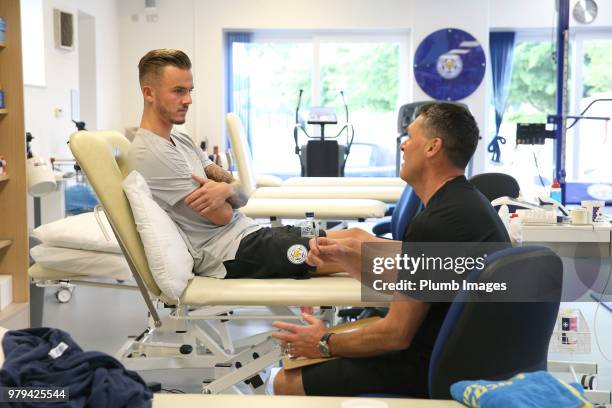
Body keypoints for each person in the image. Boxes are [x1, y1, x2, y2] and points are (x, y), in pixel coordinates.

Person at [271, 103, 511, 397]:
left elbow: (395, 335)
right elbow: (418, 284)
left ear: (433, 147)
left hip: (439, 368)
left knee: (286, 381)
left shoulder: (436, 223)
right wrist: (347, 259)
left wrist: (324, 342)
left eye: (409, 138)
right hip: (469, 356)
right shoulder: (466, 205)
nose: (403, 146)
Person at [128, 48, 369, 280]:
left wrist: (227, 189)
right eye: (178, 91)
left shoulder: (180, 139)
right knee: (356, 253)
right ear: (149, 93)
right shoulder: (151, 154)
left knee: (356, 235)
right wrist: (230, 190)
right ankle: (406, 300)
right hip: (234, 252)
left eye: (190, 90)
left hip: (252, 231)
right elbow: (223, 215)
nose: (188, 100)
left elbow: (242, 196)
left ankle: (406, 289)